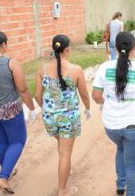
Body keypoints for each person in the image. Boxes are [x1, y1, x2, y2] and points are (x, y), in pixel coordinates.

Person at [92, 32, 135, 196]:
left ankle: (121, 185)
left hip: (111, 126)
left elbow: (96, 96)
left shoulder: (104, 68)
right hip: (134, 127)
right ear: (134, 48)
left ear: (115, 47)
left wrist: (107, 102)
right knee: (132, 163)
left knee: (121, 149)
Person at [35, 34, 91, 196]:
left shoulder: (42, 69)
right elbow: (84, 95)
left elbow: (38, 96)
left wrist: (46, 109)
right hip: (68, 119)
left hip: (49, 118)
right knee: (65, 154)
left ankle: (65, 170)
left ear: (54, 48)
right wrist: (87, 109)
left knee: (62, 148)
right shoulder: (76, 70)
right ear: (67, 50)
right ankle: (62, 191)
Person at [0, 31, 36, 194]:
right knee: (17, 141)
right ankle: (3, 177)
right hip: (10, 111)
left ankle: (7, 171)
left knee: (2, 140)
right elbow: (23, 89)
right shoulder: (10, 63)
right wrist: (32, 108)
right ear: (3, 45)